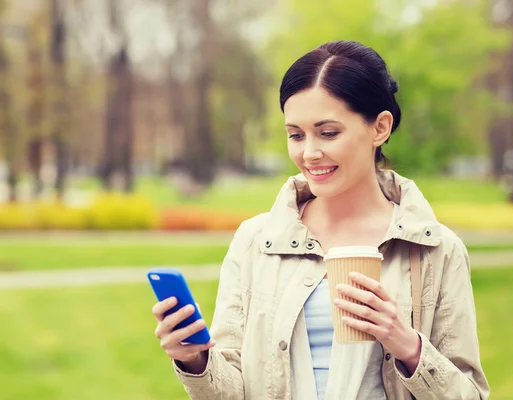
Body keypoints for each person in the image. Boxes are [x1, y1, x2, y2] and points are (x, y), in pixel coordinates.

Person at [152, 40, 490, 399]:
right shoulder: (256, 241)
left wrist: (407, 345)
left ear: (380, 128)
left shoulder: (436, 251)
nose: (309, 153)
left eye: (328, 133)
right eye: (296, 135)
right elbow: (231, 392)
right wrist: (195, 360)